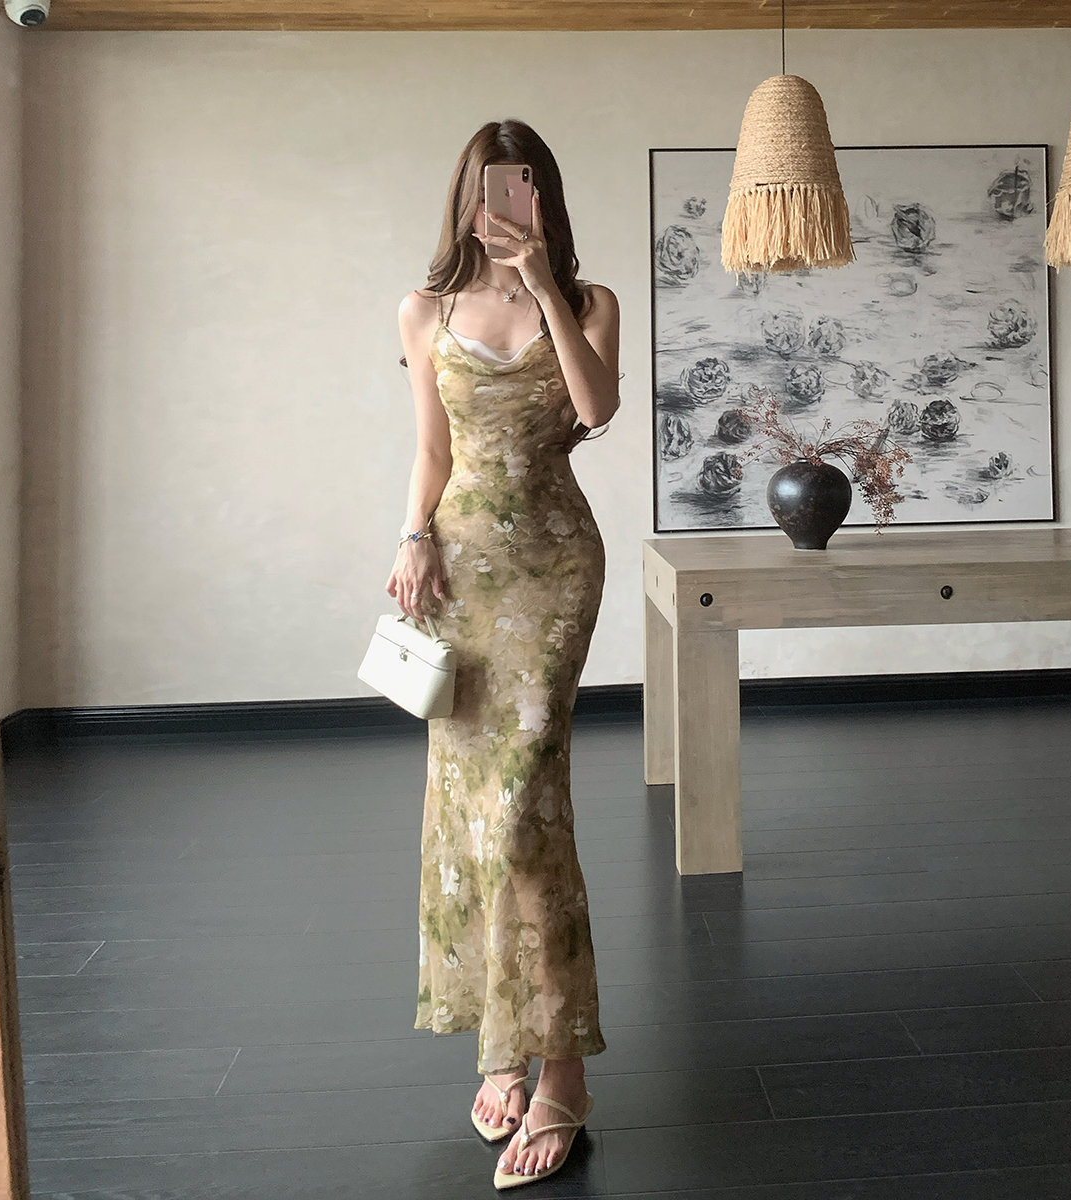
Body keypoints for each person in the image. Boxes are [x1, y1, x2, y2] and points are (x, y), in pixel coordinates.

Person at [388, 118, 620, 1188]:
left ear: (542, 197)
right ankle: (507, 1046)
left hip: (555, 565)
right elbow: (431, 450)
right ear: (466, 197)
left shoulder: (589, 301)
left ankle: (560, 1069)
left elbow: (596, 409)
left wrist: (540, 286)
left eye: (518, 190)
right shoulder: (424, 310)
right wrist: (412, 537)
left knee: (526, 800)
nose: (503, 206)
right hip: (463, 569)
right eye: (488, 190)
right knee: (474, 811)